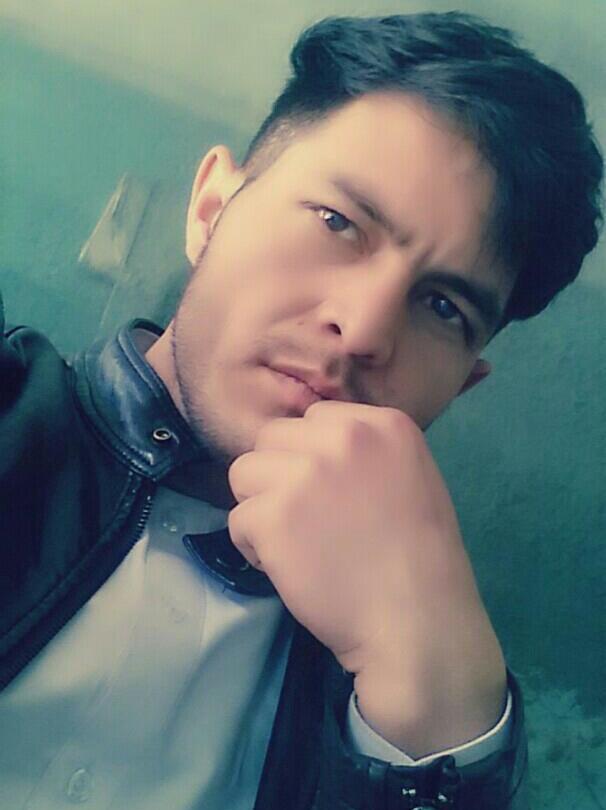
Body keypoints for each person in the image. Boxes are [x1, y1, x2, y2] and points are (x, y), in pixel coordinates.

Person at [0, 11, 602, 810]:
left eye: (444, 307)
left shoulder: (403, 678)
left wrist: (445, 733)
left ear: (461, 385)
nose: (364, 329)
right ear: (210, 208)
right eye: (337, 222)